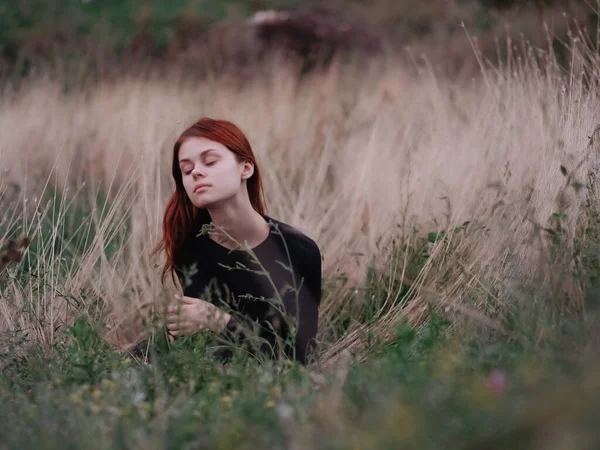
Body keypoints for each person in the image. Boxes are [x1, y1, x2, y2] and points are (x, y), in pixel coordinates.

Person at [149, 117, 322, 365]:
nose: (196, 171)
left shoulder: (298, 250)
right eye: (186, 170)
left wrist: (217, 320)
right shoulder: (191, 249)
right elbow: (205, 348)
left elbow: (297, 356)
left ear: (246, 168)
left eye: (210, 161)